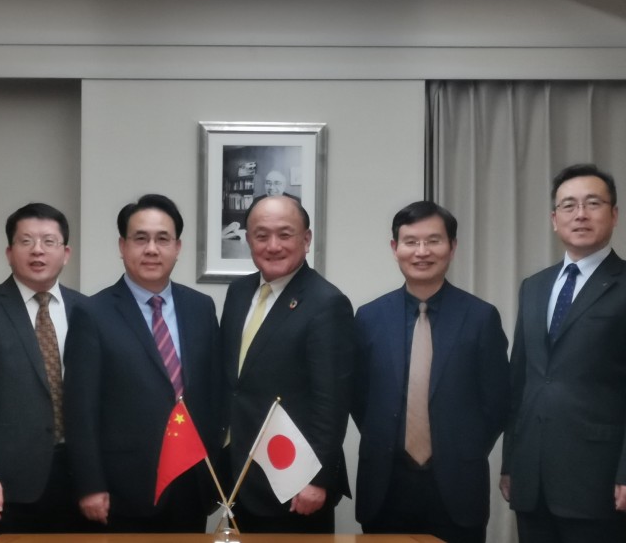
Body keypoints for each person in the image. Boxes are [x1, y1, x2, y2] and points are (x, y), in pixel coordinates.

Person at [500, 164, 626, 543]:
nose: (580, 214)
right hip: (532, 480)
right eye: (568, 205)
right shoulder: (534, 287)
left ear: (614, 214)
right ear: (555, 219)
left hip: (599, 480)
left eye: (593, 203)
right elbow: (521, 383)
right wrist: (511, 463)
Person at [352, 201, 509, 543]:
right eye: (411, 242)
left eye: (433, 241)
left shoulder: (480, 317)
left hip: (456, 486)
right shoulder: (369, 317)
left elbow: (497, 402)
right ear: (395, 248)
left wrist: (461, 446)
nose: (421, 252)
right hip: (385, 485)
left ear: (452, 247)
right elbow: (359, 398)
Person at [64, 194, 221, 532]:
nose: (152, 249)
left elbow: (213, 393)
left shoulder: (201, 307)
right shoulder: (92, 314)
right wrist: (91, 485)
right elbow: (80, 410)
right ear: (122, 246)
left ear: (177, 247)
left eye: (162, 239)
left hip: (191, 481)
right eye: (140, 239)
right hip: (124, 489)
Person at [0, 203, 92, 537]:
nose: (37, 250)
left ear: (66, 253)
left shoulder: (87, 309)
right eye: (26, 241)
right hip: (11, 481)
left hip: (81, 477)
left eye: (49, 241)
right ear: (9, 252)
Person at [221, 194, 354, 533]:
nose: (273, 245)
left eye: (285, 234)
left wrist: (317, 479)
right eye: (261, 235)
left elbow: (332, 402)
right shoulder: (238, 293)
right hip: (239, 473)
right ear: (248, 240)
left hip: (295, 480)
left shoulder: (327, 303)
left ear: (306, 239)